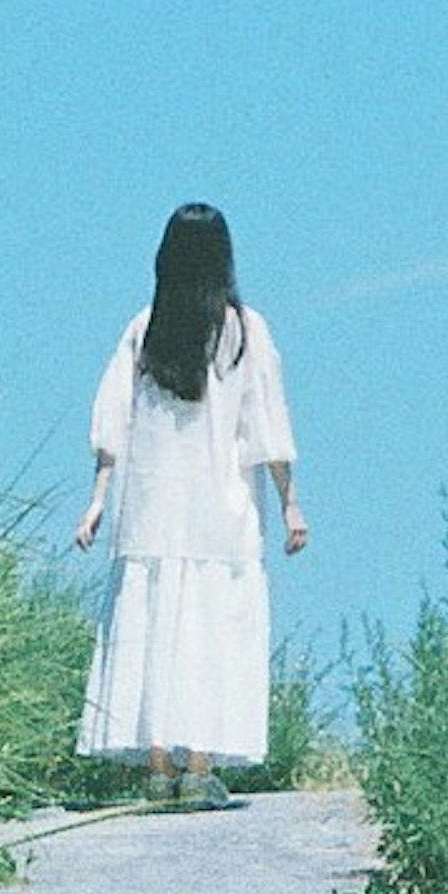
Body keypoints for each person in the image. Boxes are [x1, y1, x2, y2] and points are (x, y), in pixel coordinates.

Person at [72, 201, 305, 809]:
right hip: (219, 511)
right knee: (211, 629)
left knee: (150, 626)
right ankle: (199, 768)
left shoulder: (144, 327)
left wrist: (97, 500)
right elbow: (268, 428)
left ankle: (156, 770)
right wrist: (291, 505)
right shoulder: (244, 331)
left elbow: (111, 424)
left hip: (149, 507)